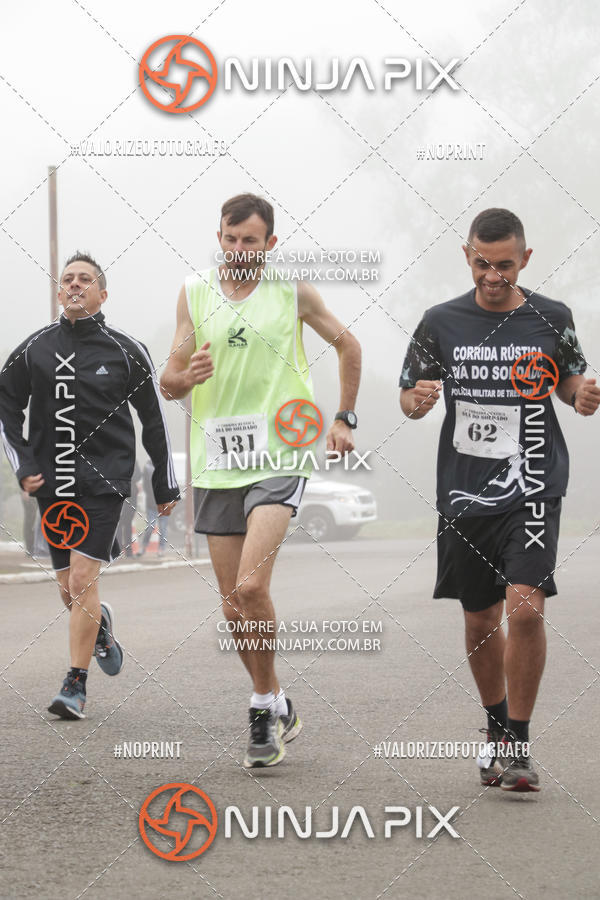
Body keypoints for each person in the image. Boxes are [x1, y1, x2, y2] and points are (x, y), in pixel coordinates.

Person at [399, 208, 600, 792]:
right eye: (483, 264)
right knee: (480, 617)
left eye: (505, 265)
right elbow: (409, 398)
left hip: (533, 483)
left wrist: (581, 395)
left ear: (526, 260)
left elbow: (569, 381)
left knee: (527, 608)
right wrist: (419, 400)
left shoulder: (551, 318)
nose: (493, 275)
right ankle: (494, 733)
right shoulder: (439, 322)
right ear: (467, 256)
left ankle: (517, 742)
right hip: (465, 491)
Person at [160, 193, 361, 768]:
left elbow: (348, 344)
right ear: (219, 236)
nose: (240, 248)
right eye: (231, 238)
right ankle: (277, 700)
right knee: (231, 607)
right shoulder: (194, 291)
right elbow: (169, 380)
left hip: (280, 452)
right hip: (218, 460)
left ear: (270, 243)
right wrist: (186, 374)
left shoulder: (291, 291)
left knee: (251, 588)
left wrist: (344, 418)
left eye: (252, 240)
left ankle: (257, 707)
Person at [0, 252, 179, 719]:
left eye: (86, 280)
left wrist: (164, 480)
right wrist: (23, 463)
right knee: (67, 586)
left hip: (106, 480)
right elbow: (6, 403)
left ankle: (74, 686)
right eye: (68, 280)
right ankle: (100, 628)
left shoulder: (125, 349)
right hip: (52, 482)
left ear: (103, 293)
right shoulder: (36, 347)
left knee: (82, 578)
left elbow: (153, 420)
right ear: (60, 292)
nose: (75, 285)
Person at [137, 458, 169, 557]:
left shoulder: (164, 466)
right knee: (152, 526)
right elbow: (147, 487)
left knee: (162, 528)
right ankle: (145, 547)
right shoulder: (149, 467)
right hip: (154, 503)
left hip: (163, 503)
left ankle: (160, 549)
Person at [117, 459, 141, 558]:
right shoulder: (131, 460)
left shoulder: (133, 460)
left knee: (124, 524)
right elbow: (138, 475)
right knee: (122, 524)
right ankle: (121, 551)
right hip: (123, 495)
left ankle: (125, 551)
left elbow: (139, 475)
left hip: (129, 495)